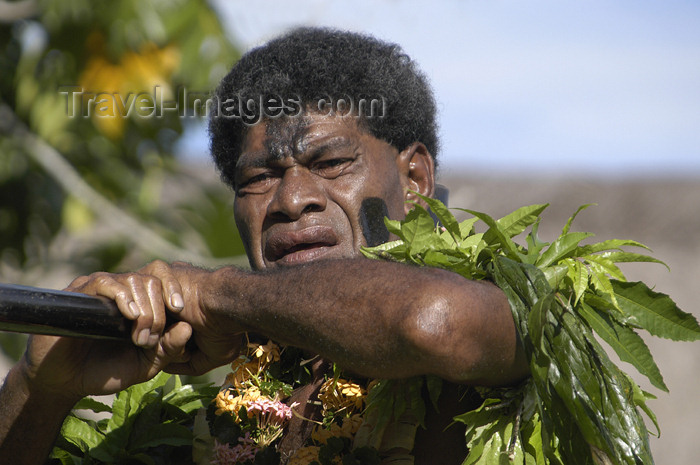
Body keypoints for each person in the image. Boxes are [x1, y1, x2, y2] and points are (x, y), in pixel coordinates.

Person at [0, 27, 528, 464]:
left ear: (414, 179)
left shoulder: (510, 308)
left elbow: (432, 324)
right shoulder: (201, 413)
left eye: (330, 164)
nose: (292, 200)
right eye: (260, 177)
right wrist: (38, 390)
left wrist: (215, 293)